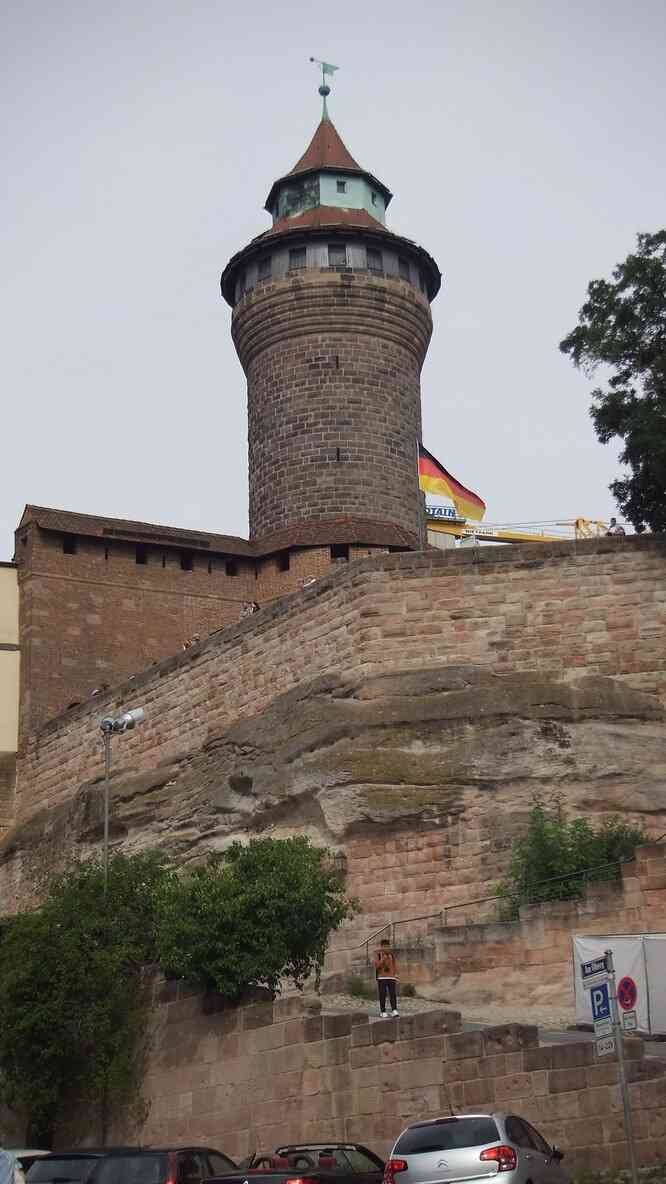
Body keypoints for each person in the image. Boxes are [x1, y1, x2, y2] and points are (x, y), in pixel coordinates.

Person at [374, 937, 399, 1018]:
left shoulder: (391, 955)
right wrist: (383, 959)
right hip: (381, 977)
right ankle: (383, 1011)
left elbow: (394, 965)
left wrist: (396, 974)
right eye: (384, 946)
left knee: (393, 994)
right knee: (382, 994)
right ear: (381, 946)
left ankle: (394, 1010)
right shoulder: (378, 954)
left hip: (391, 977)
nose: (386, 948)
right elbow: (377, 966)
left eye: (388, 946)